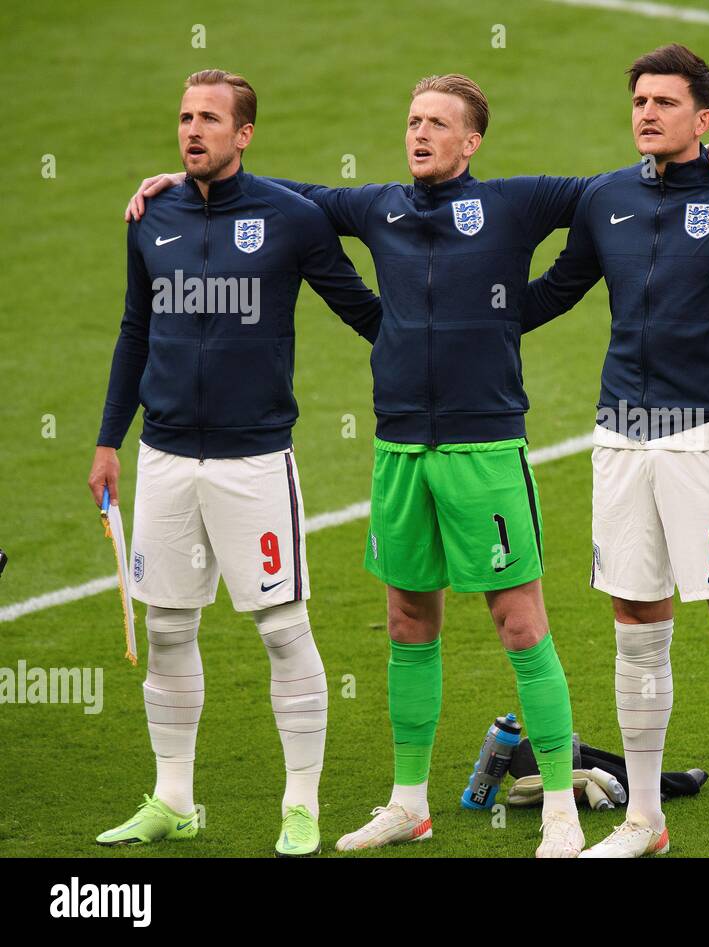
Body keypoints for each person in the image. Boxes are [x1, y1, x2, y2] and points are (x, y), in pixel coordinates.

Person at [125, 73, 709, 857]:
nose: (418, 134)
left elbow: (620, 187)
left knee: (519, 622)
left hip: (483, 445)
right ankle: (407, 803)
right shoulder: (376, 207)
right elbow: (278, 195)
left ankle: (560, 807)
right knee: (405, 621)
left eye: (436, 124)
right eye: (412, 120)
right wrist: (185, 181)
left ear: (471, 142)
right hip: (397, 447)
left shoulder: (516, 203)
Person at [90, 69, 384, 857]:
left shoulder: (290, 218)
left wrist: (440, 347)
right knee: (168, 627)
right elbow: (133, 328)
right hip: (164, 457)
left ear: (244, 133)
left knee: (284, 629)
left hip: (254, 462)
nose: (192, 130)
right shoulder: (151, 215)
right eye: (185, 117)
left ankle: (300, 805)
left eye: (211, 119)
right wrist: (108, 439)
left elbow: (359, 308)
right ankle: (174, 798)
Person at [520, 44, 709, 859]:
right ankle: (644, 818)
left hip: (708, 436)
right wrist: (462, 317)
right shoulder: (605, 196)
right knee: (635, 619)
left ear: (704, 119)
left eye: (665, 102)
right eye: (639, 99)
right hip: (618, 436)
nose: (646, 112)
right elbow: (554, 292)